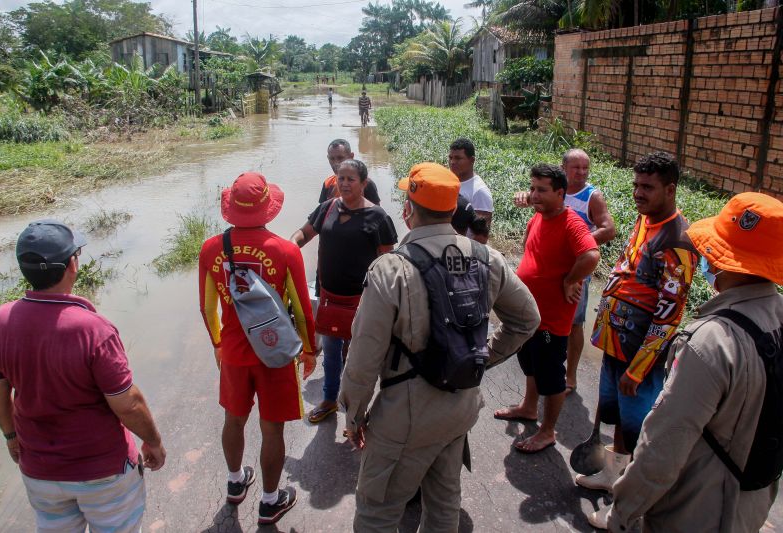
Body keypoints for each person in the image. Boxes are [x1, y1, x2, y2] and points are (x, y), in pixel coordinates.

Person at [339, 162, 541, 532]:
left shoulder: (390, 270)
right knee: (444, 502)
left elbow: (363, 359)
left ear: (408, 211)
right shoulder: (487, 258)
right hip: (460, 406)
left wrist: (353, 417)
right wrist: (478, 358)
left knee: (377, 512)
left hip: (404, 413)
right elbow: (527, 320)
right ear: (453, 210)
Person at [607, 192, 783, 532]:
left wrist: (623, 511)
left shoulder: (710, 342)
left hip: (696, 509)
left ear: (717, 259)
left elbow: (661, 448)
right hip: (753, 499)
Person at [0, 220, 165, 532]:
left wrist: (11, 436)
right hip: (103, 471)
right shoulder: (93, 330)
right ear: (72, 265)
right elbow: (128, 405)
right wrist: (153, 441)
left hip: (40, 472)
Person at [582, 152, 698, 527]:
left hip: (639, 354)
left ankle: (628, 506)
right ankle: (611, 475)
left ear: (670, 189)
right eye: (635, 185)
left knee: (638, 426)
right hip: (617, 339)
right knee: (612, 411)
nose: (638, 193)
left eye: (647, 187)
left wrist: (639, 368)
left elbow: (669, 314)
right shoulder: (645, 220)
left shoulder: (677, 240)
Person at [199, 172, 317, 526]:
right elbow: (301, 308)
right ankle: (270, 500)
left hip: (234, 352)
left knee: (233, 420)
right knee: (272, 430)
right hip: (275, 353)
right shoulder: (285, 250)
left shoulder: (210, 249)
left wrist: (219, 344)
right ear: (268, 208)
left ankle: (235, 483)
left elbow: (207, 308)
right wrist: (309, 350)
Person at [494, 163, 600, 453]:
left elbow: (591, 255)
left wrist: (570, 279)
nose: (534, 195)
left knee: (551, 376)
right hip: (529, 313)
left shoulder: (572, 223)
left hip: (552, 318)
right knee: (529, 362)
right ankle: (529, 407)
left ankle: (548, 431)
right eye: (532, 189)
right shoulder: (539, 217)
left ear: (560, 193)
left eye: (541, 190)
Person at [292, 159, 397, 425]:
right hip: (329, 297)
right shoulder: (327, 208)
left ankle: (356, 411)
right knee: (330, 351)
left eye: (351, 179)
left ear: (364, 183)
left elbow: (388, 263)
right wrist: (288, 249)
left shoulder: (378, 217)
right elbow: (303, 235)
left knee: (359, 357)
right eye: (341, 178)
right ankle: (328, 400)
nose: (345, 183)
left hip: (363, 300)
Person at [513, 148, 616, 393]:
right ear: (563, 169)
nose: (581, 172)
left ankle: (569, 377)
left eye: (585, 168)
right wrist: (523, 197)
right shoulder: (548, 188)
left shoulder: (592, 196)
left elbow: (608, 230)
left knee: (572, 324)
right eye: (576, 168)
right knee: (538, 332)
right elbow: (530, 199)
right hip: (548, 273)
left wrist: (572, 245)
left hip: (575, 272)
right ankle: (534, 394)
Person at [448, 138, 493, 241]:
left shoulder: (479, 191)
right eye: (450, 157)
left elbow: (481, 236)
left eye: (458, 158)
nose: (452, 162)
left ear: (472, 160)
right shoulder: (449, 181)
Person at [319, 139, 380, 206]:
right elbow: (321, 213)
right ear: (328, 158)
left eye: (340, 158)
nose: (335, 163)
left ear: (351, 157)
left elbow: (376, 213)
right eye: (332, 158)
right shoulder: (328, 183)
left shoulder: (365, 183)